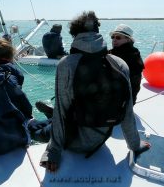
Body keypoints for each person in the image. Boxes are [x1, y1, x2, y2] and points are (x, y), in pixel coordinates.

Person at [39, 11, 150, 172]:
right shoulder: (119, 64)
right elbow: (127, 110)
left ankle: (31, 125)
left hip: (71, 142)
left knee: (42, 127)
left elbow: (61, 111)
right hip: (100, 140)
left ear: (74, 35)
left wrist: (53, 151)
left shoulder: (66, 64)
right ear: (97, 31)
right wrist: (135, 145)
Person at [109, 24, 145, 105]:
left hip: (122, 102)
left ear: (128, 40)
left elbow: (133, 86)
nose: (114, 40)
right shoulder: (114, 52)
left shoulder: (131, 56)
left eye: (118, 37)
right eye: (113, 37)